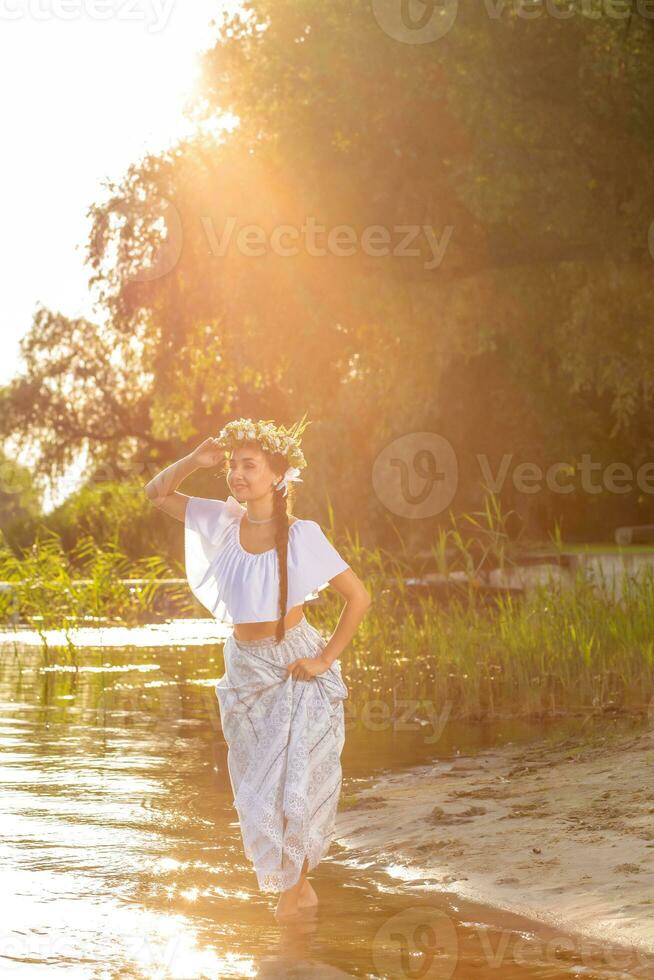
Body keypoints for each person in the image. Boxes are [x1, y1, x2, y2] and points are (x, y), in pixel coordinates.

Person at [144, 417, 371, 920]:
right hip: (244, 671)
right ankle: (298, 897)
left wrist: (324, 659)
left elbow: (358, 597)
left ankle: (294, 897)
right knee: (254, 792)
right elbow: (156, 493)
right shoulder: (220, 521)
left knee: (294, 782)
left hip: (294, 667)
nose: (238, 474)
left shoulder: (301, 534)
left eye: (250, 466)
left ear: (277, 475)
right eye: (233, 465)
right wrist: (195, 461)